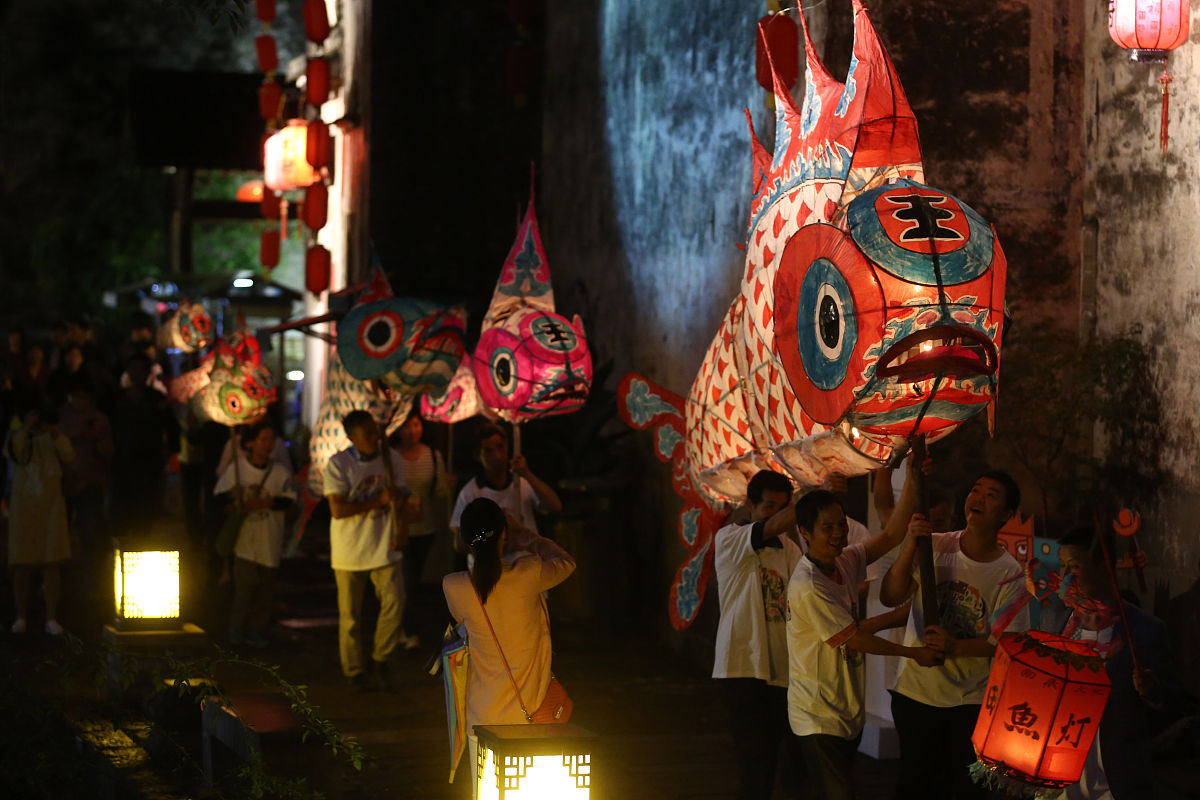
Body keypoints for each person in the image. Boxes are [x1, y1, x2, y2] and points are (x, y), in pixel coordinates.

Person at [786, 460, 940, 800]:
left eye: (841, 525)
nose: (839, 533)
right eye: (828, 527)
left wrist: (914, 478)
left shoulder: (842, 560)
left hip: (843, 709)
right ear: (805, 532)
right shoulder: (809, 584)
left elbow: (890, 535)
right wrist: (913, 653)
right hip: (817, 713)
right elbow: (853, 637)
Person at [880, 470, 1030, 800]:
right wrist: (910, 544)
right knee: (914, 785)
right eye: (975, 489)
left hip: (968, 704)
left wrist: (955, 646)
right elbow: (890, 595)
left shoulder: (1010, 575)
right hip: (915, 694)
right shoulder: (935, 545)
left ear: (1006, 515)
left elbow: (1005, 643)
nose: (979, 497)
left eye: (991, 494)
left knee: (961, 790)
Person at [442, 497, 576, 798]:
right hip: (531, 718)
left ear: (464, 542)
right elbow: (567, 563)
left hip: (483, 719)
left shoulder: (454, 587)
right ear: (504, 534)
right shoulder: (529, 572)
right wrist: (528, 536)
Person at [1047, 525, 1181, 800]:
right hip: (1059, 775)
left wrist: (1151, 690)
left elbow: (1173, 700)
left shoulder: (1145, 629)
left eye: (1074, 567)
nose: (1064, 577)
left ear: (1105, 566)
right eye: (1062, 567)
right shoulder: (1056, 621)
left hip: (1116, 778)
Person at [711, 469, 804, 800]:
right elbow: (776, 525)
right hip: (741, 665)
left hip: (780, 668)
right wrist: (815, 494)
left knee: (776, 755)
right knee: (753, 756)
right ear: (750, 504)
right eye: (769, 506)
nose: (776, 514)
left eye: (783, 506)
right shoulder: (731, 537)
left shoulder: (789, 550)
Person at [324, 410, 413, 690]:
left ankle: (381, 657)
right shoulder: (338, 464)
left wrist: (401, 526)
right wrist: (378, 500)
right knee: (350, 615)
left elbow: (401, 497)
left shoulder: (391, 459)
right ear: (351, 437)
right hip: (349, 551)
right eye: (367, 434)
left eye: (375, 432)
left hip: (384, 546)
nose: (374, 438)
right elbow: (337, 509)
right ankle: (354, 671)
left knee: (395, 602)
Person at [214, 420, 297, 647]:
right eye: (263, 439)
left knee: (265, 590)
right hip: (245, 540)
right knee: (246, 586)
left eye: (271, 440)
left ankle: (257, 629)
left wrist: (267, 502)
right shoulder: (237, 470)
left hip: (270, 538)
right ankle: (236, 627)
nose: (268, 445)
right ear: (250, 443)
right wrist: (232, 495)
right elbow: (218, 498)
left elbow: (290, 502)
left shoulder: (280, 473)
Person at [4, 404, 75, 635]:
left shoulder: (53, 436)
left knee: (52, 562)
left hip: (51, 504)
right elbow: (12, 453)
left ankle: (51, 617)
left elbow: (68, 455)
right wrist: (26, 429)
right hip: (24, 504)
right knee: (22, 563)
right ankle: (21, 615)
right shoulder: (17, 435)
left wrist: (54, 434)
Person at [450, 423, 562, 555]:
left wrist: (527, 474)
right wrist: (491, 539)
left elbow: (555, 506)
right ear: (477, 455)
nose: (497, 456)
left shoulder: (522, 483)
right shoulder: (470, 493)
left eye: (500, 447)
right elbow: (460, 544)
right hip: (492, 572)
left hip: (528, 566)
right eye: (488, 450)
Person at [392, 409, 453, 642]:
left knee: (415, 579)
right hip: (401, 527)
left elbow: (438, 492)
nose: (412, 431)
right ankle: (407, 630)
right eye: (407, 426)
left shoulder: (433, 455)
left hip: (426, 527)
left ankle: (403, 624)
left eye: (416, 425)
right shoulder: (392, 457)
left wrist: (447, 484)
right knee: (405, 578)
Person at [57, 376, 112, 567]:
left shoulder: (98, 418)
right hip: (63, 481)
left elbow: (108, 450)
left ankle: (91, 570)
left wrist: (97, 437)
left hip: (91, 481)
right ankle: (64, 570)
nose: (79, 400)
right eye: (75, 396)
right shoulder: (59, 417)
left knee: (89, 529)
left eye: (83, 396)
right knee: (60, 530)